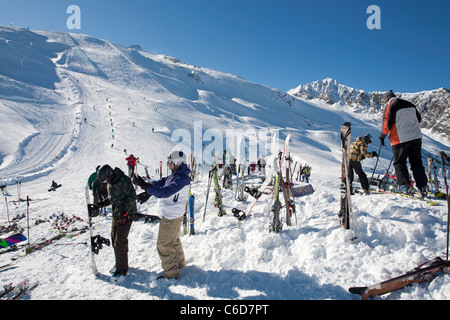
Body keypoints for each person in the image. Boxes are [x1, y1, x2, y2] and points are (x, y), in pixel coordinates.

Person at [133, 151, 191, 279]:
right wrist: (147, 185)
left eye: (170, 162)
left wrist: (145, 187)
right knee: (174, 242)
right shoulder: (177, 175)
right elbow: (163, 182)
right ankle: (180, 265)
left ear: (177, 163)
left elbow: (165, 192)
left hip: (171, 217)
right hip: (174, 215)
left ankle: (171, 274)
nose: (168, 164)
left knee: (163, 246)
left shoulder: (180, 179)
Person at [379, 90, 428, 196]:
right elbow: (419, 119)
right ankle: (423, 187)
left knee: (400, 163)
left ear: (386, 100)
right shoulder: (410, 104)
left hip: (400, 138)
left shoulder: (390, 105)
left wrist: (382, 136)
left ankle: (404, 186)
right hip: (416, 137)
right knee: (416, 162)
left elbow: (387, 124)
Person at [96, 164, 137, 282]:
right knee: (114, 238)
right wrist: (102, 204)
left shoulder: (124, 180)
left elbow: (131, 197)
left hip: (127, 214)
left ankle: (122, 270)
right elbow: (112, 198)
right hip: (117, 214)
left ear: (110, 174)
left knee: (120, 241)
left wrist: (124, 213)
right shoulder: (111, 183)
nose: (106, 182)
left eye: (106, 179)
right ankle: (120, 263)